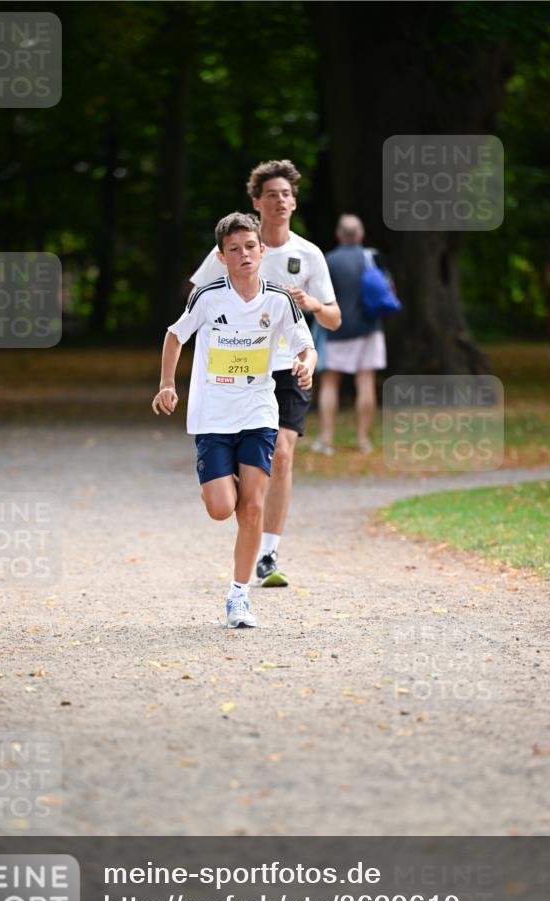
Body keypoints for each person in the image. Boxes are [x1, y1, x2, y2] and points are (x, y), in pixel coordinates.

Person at [152, 212, 316, 629]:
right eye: (233, 249)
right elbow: (175, 336)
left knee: (253, 507)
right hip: (212, 416)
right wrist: (167, 385)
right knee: (222, 508)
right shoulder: (208, 297)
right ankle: (233, 482)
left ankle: (239, 597)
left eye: (249, 247)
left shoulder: (278, 299)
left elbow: (306, 345)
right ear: (222, 257)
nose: (243, 255)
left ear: (262, 251)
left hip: (258, 412)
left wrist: (306, 364)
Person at [190, 159, 341, 588]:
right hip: (237, 368)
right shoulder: (238, 247)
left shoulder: (308, 254)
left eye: (287, 194)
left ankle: (268, 554)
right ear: (256, 202)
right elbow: (197, 296)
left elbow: (334, 319)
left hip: (288, 366)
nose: (281, 200)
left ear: (294, 203)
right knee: (236, 486)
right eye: (272, 194)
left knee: (283, 453)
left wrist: (310, 304)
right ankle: (230, 482)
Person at [311, 214, 387, 456]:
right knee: (365, 382)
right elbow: (388, 290)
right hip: (369, 329)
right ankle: (363, 441)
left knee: (330, 383)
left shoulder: (328, 261)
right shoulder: (372, 258)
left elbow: (318, 296)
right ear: (361, 235)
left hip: (337, 330)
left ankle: (327, 439)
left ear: (339, 235)